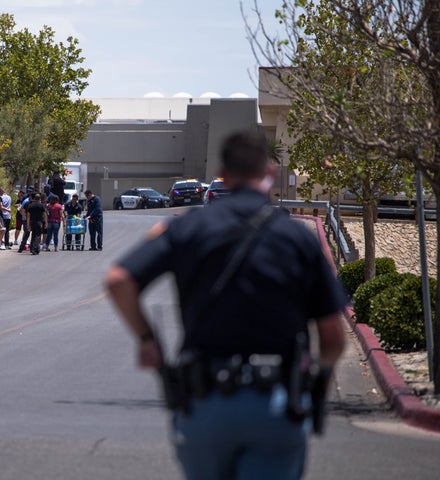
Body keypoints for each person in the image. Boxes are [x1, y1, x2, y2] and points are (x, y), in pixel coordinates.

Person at [104, 131, 347, 480]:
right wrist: (319, 382)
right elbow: (333, 337)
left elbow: (119, 280)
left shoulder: (189, 228)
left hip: (205, 402)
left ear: (223, 173)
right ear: (271, 171)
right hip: (275, 405)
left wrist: (146, 339)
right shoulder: (297, 239)